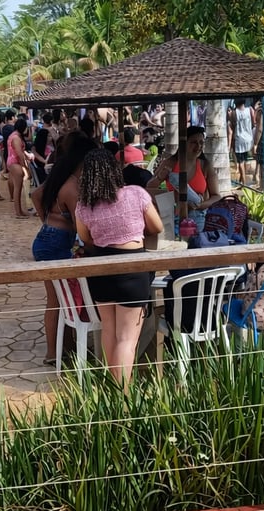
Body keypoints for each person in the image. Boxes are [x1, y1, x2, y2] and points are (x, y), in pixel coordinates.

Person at [75, 148, 164, 384]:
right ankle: (122, 394)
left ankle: (112, 388)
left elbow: (86, 238)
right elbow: (157, 227)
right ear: (115, 171)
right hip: (132, 270)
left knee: (109, 330)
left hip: (101, 268)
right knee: (127, 339)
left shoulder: (84, 206)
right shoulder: (136, 193)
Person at [31, 132, 98, 364]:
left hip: (48, 239)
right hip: (54, 244)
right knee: (56, 300)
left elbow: (36, 194)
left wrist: (48, 220)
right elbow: (83, 229)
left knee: (61, 299)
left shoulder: (62, 177)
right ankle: (53, 353)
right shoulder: (72, 187)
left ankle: (64, 347)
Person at [148, 125, 222, 232]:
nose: (198, 146)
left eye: (201, 142)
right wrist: (160, 178)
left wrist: (199, 205)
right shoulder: (170, 162)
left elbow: (216, 196)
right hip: (173, 215)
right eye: (194, 142)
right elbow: (149, 187)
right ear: (184, 143)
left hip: (198, 215)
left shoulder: (205, 165)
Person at [7, 118, 30, 218]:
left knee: (19, 188)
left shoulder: (14, 136)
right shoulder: (16, 138)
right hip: (15, 163)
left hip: (13, 163)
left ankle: (20, 211)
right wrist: (25, 167)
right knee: (18, 188)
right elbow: (19, 154)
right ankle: (18, 212)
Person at [230, 98, 254, 185]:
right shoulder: (250, 110)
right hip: (249, 138)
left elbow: (232, 126)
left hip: (239, 139)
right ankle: (242, 179)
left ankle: (244, 183)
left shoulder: (234, 113)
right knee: (245, 160)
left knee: (240, 162)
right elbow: (253, 122)